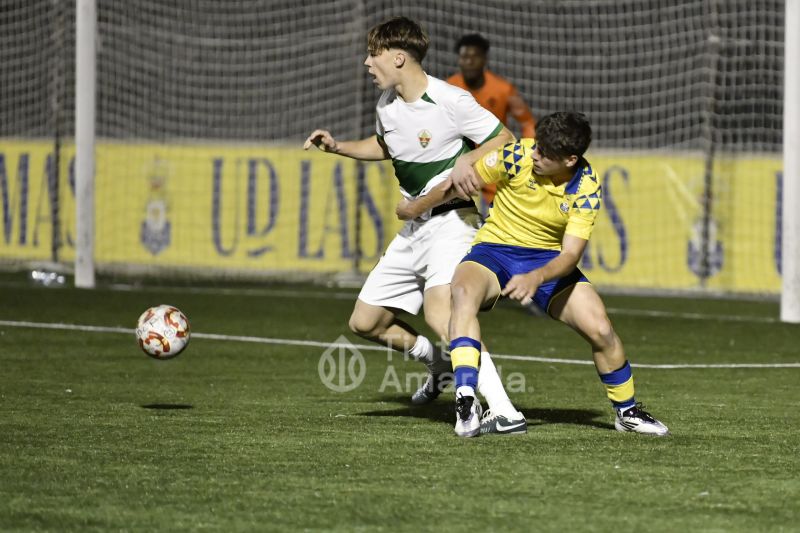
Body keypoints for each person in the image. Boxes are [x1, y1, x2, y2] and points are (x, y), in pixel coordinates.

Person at [303, 16, 527, 434]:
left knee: (445, 312)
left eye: (374, 54)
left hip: (453, 223)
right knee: (365, 322)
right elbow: (387, 146)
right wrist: (338, 148)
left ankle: (503, 409)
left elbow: (504, 142)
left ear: (399, 57)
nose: (368, 63)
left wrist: (450, 178)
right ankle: (438, 363)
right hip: (414, 230)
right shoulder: (386, 105)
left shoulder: (450, 100)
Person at [400, 111, 669, 438]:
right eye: (537, 146)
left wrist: (535, 278)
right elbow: (461, 181)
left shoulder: (585, 186)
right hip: (494, 249)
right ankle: (467, 401)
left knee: (601, 330)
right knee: (462, 294)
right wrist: (417, 207)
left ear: (570, 160)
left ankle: (626, 411)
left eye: (545, 154)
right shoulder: (516, 156)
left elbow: (570, 255)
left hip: (546, 260)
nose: (536, 155)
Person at [447, 34, 536, 207]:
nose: (470, 62)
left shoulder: (503, 90)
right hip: (458, 166)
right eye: (465, 57)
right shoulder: (448, 88)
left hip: (493, 166)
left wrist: (526, 152)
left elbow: (528, 122)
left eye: (475, 57)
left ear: (485, 59)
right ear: (459, 60)